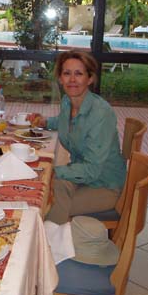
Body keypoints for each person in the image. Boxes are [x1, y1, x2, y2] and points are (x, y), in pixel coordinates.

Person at [28, 50, 126, 224]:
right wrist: (45, 122)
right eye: (67, 73)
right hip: (80, 176)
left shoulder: (101, 113)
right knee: (46, 190)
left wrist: (52, 171)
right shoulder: (68, 102)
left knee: (46, 204)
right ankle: (52, 239)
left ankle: (52, 248)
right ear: (60, 78)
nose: (72, 80)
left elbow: (92, 170)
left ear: (90, 78)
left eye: (79, 74)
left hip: (104, 185)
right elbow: (65, 121)